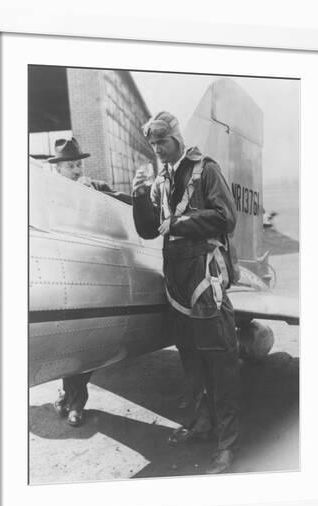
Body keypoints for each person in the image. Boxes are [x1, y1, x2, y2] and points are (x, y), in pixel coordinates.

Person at [131, 112, 240, 474]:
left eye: (162, 142)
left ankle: (227, 445)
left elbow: (226, 218)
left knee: (219, 361)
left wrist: (179, 222)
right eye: (153, 144)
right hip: (176, 277)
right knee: (190, 359)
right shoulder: (160, 180)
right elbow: (149, 231)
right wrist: (139, 196)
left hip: (204, 276)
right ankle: (202, 424)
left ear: (176, 138)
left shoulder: (205, 169)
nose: (158, 149)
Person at [47, 137, 129, 427]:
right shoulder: (47, 195)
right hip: (63, 274)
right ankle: (67, 394)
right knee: (66, 343)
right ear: (56, 168)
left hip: (92, 275)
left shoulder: (93, 188)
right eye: (69, 165)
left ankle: (75, 402)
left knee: (84, 345)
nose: (76, 169)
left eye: (78, 164)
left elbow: (122, 203)